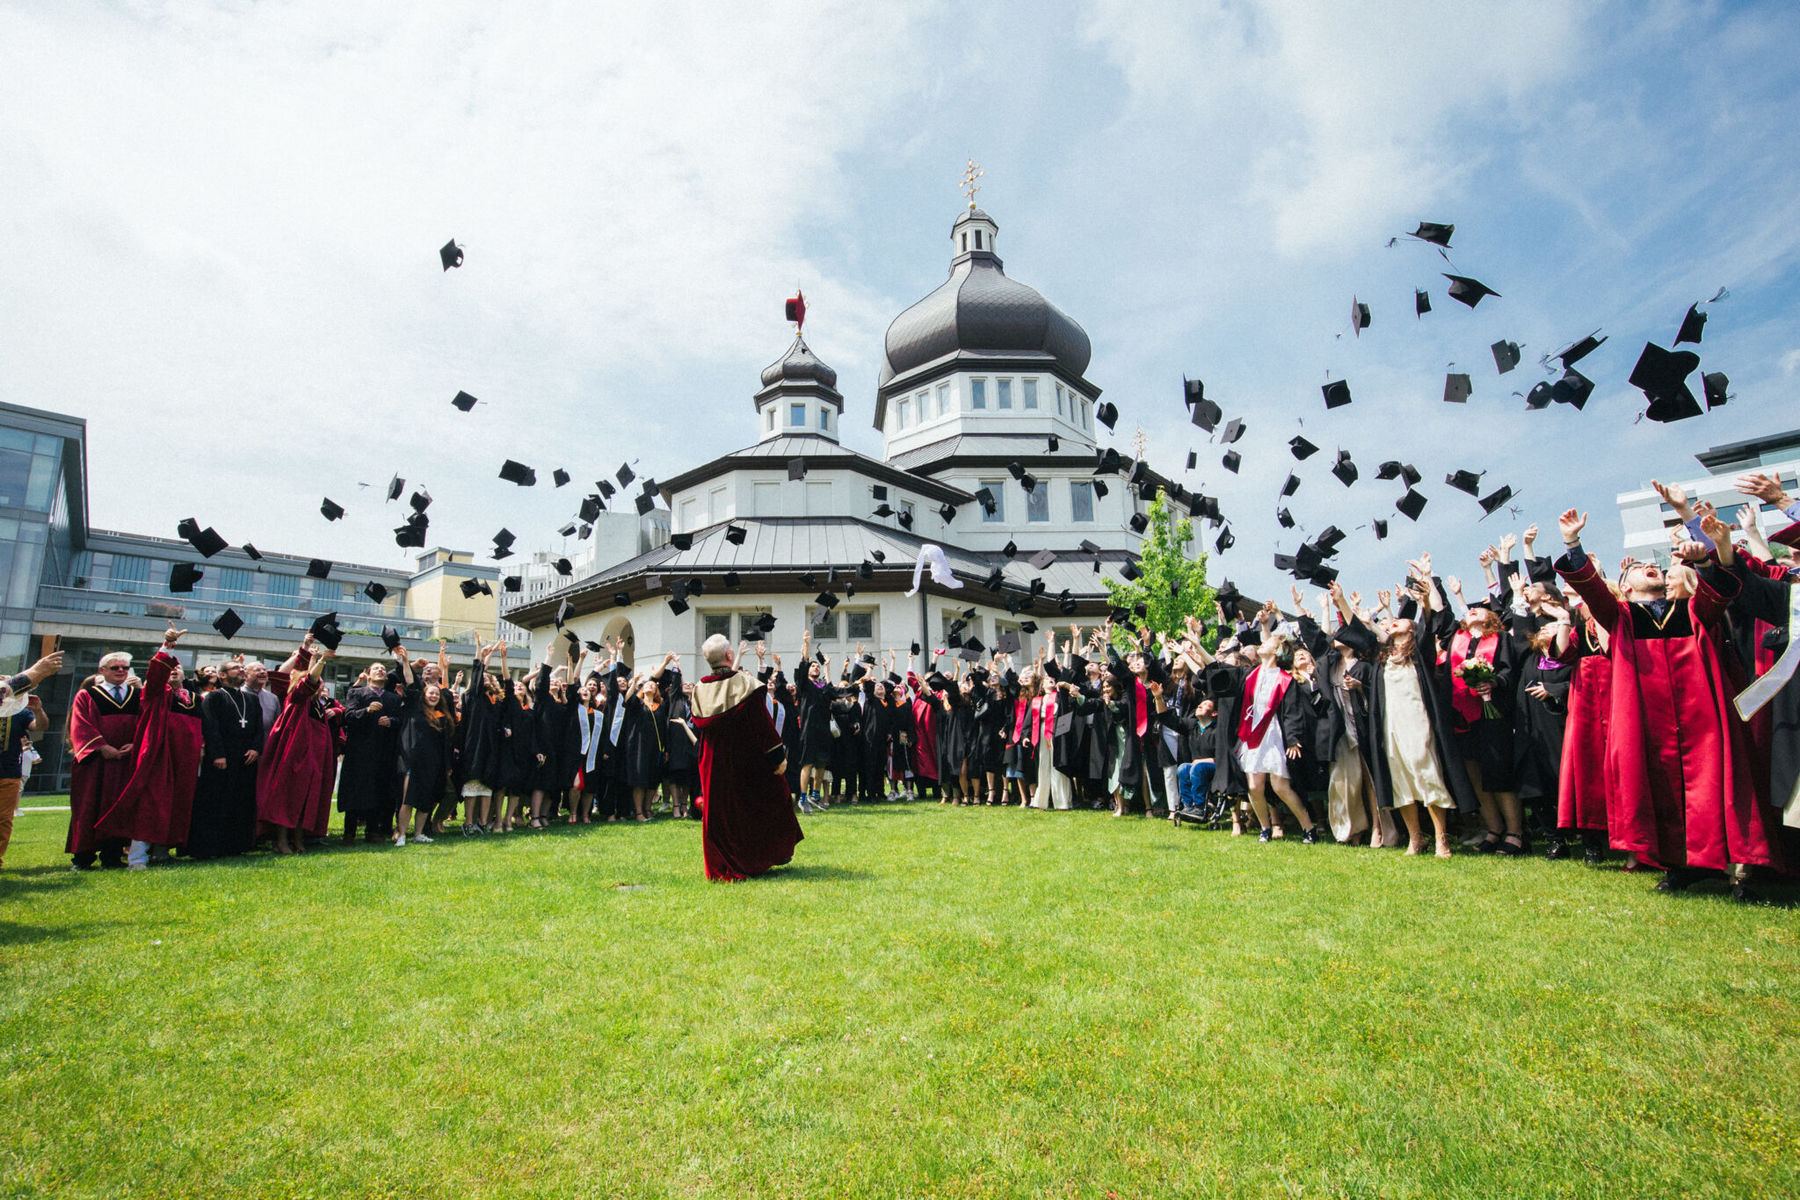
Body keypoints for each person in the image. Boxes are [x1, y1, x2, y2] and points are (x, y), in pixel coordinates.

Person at [1555, 503, 1779, 897]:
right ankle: (1682, 865)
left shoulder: (1693, 610)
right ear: (1624, 587)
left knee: (1718, 784)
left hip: (1703, 714)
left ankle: (1738, 869)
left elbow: (1723, 593)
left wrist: (1706, 565)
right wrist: (1572, 542)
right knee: (1660, 788)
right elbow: (1591, 589)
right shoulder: (1621, 617)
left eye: (1651, 564)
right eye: (1637, 568)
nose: (1648, 567)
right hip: (1647, 718)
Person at [689, 633, 803, 880]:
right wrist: (777, 757)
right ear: (730, 655)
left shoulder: (699, 689)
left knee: (721, 812)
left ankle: (724, 863)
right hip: (744, 758)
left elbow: (699, 724)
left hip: (712, 762)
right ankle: (765, 855)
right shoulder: (745, 684)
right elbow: (761, 725)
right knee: (769, 798)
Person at [96, 624, 205, 869]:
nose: (174, 672)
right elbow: (156, 673)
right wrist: (167, 646)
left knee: (177, 803)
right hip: (159, 756)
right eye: (170, 668)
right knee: (151, 803)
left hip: (184, 759)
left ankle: (162, 851)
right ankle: (137, 857)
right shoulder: (154, 694)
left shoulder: (191, 698)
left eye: (178, 669)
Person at [255, 635, 338, 856]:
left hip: (314, 758)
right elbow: (308, 681)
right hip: (295, 756)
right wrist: (320, 661)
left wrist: (313, 658)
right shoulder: (296, 698)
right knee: (288, 795)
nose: (319, 685)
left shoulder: (318, 706)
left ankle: (299, 838)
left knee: (307, 797)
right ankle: (281, 840)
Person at [66, 649, 141, 869]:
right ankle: (83, 857)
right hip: (95, 763)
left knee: (119, 808)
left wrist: (136, 744)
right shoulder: (87, 695)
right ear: (102, 670)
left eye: (124, 668)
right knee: (88, 806)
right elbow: (80, 725)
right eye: (115, 668)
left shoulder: (137, 695)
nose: (120, 671)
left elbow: (146, 725)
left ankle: (113, 855)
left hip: (126, 762)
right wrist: (101, 747)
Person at [190, 654, 265, 858]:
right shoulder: (214, 697)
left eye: (242, 668)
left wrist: (256, 748)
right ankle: (211, 847)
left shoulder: (250, 698)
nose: (241, 670)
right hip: (222, 757)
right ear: (222, 675)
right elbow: (210, 727)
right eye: (235, 668)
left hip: (246, 757)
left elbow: (259, 728)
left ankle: (237, 845)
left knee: (241, 801)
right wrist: (218, 754)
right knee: (217, 802)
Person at [0, 650, 60, 870]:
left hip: (7, 770)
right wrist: (36, 672)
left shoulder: (19, 711)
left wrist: (37, 674)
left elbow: (40, 728)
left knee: (3, 820)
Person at [391, 647, 454, 846]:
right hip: (412, 760)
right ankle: (401, 834)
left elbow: (445, 745)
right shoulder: (414, 708)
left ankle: (418, 833)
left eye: (436, 694)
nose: (434, 696)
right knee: (408, 799)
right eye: (430, 693)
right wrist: (407, 661)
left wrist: (446, 766)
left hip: (432, 763)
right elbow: (410, 681)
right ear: (424, 695)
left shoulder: (443, 718)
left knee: (426, 800)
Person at [338, 658, 403, 845]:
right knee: (355, 790)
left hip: (383, 753)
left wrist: (390, 721)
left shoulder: (393, 698)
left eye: (383, 669)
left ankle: (373, 830)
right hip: (360, 752)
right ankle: (349, 832)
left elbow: (401, 721)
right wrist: (366, 710)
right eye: (376, 669)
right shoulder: (357, 693)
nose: (381, 671)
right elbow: (348, 717)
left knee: (379, 790)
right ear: (368, 675)